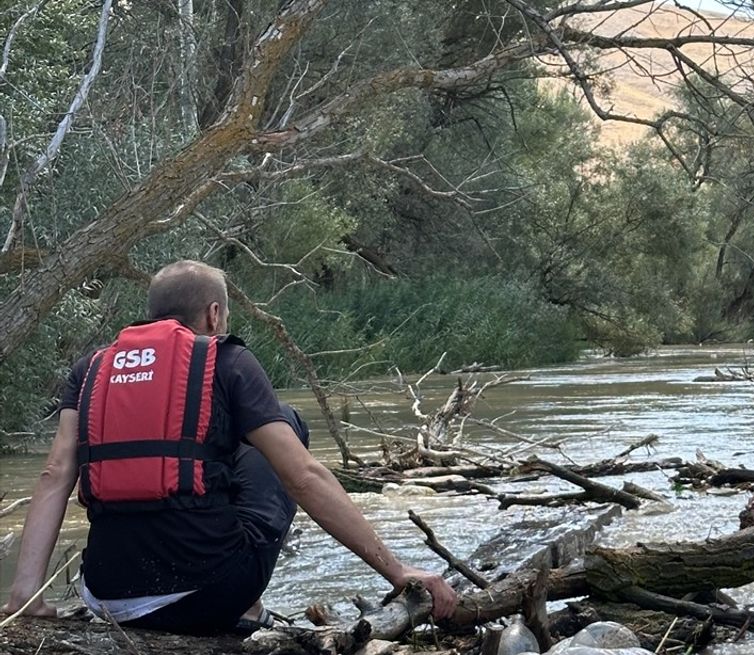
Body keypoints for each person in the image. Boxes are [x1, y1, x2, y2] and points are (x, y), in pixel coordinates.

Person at [1, 260, 457, 634]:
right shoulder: (228, 359)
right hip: (207, 593)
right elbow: (303, 477)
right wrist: (397, 572)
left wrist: (25, 597)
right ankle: (248, 606)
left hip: (106, 597)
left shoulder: (90, 370)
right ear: (214, 314)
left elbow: (54, 475)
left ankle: (236, 601)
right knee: (287, 424)